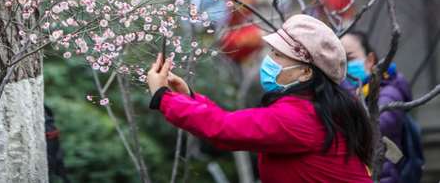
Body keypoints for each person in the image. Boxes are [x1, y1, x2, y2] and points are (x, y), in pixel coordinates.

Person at [147, 14, 373, 183]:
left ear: (306, 72)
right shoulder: (314, 108)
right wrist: (188, 98)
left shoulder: (298, 117)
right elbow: (231, 122)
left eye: (278, 55)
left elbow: (223, 128)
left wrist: (163, 97)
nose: (269, 60)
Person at [342, 31, 422, 183]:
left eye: (349, 58)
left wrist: (343, 88)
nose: (344, 67)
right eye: (339, 61)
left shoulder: (389, 90)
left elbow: (376, 126)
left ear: (370, 60)